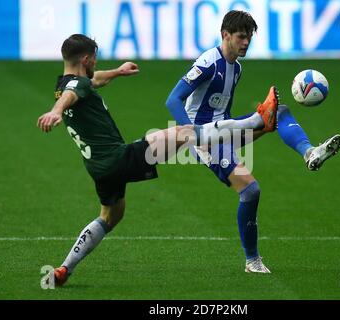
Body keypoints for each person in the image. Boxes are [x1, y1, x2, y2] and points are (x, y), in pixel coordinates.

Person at [36, 34, 278, 286]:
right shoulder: (74, 89)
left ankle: (64, 269)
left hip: (99, 169)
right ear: (85, 58)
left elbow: (88, 82)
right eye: (94, 58)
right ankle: (258, 119)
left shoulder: (63, 84)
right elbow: (74, 93)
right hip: (119, 158)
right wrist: (56, 112)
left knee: (111, 216)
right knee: (186, 132)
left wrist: (117, 72)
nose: (96, 62)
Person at [166, 10, 340, 273]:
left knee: (278, 113)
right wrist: (193, 134)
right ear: (225, 35)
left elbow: (222, 111)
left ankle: (309, 152)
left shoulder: (236, 68)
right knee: (251, 190)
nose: (246, 42)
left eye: (249, 37)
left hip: (225, 130)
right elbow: (172, 100)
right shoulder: (208, 63)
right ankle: (252, 261)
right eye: (241, 37)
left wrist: (247, 130)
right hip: (205, 140)